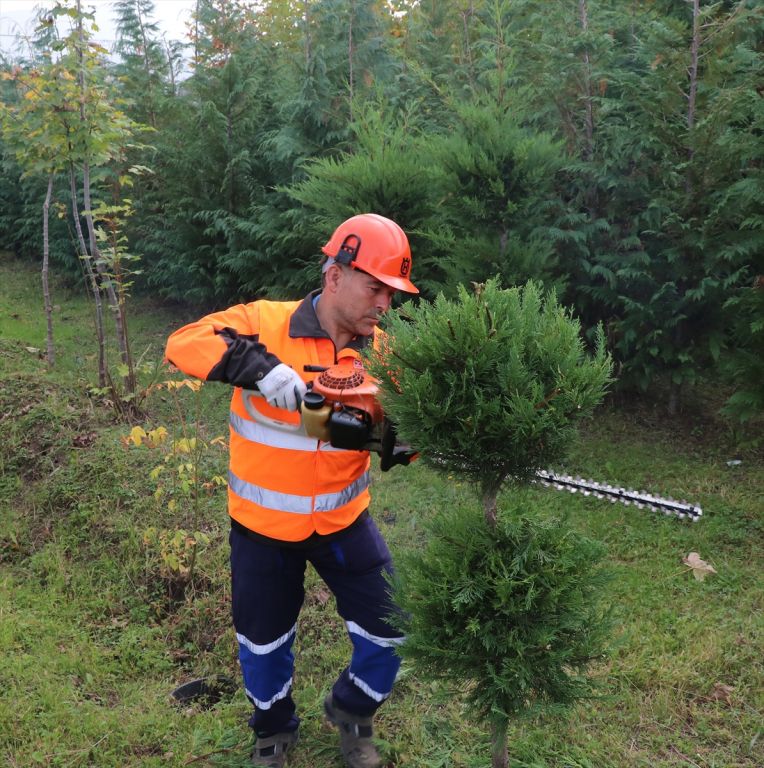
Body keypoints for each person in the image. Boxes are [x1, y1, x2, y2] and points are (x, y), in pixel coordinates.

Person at [164, 214, 419, 768]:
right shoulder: (264, 322)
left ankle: (351, 709)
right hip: (262, 528)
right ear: (335, 275)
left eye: (392, 293)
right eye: (375, 287)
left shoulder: (386, 355)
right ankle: (273, 730)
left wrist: (398, 440)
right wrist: (257, 367)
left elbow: (406, 434)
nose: (385, 304)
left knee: (395, 627)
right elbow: (183, 343)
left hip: (344, 523)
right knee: (263, 642)